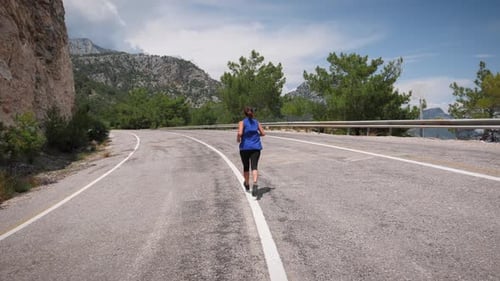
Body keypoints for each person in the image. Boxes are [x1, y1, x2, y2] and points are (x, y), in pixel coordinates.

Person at [237, 106, 265, 197]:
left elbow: (240, 133)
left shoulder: (242, 122)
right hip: (256, 147)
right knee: (254, 166)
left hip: (245, 148)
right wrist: (257, 135)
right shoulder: (256, 122)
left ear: (245, 114)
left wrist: (238, 137)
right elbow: (263, 133)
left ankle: (247, 183)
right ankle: (255, 183)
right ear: (252, 113)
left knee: (246, 167)